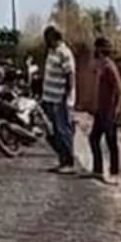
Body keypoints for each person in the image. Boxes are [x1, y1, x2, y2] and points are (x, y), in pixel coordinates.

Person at [40, 25, 76, 173]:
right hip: (49, 98)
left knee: (63, 130)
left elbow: (70, 75)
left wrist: (66, 96)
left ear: (54, 37)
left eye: (47, 38)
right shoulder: (52, 51)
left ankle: (69, 163)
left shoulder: (64, 53)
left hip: (59, 99)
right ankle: (62, 161)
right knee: (54, 131)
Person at [89, 36, 121, 184]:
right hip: (101, 112)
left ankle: (114, 173)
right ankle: (97, 170)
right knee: (94, 138)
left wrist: (117, 110)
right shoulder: (102, 66)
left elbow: (120, 90)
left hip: (108, 112)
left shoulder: (109, 67)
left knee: (111, 142)